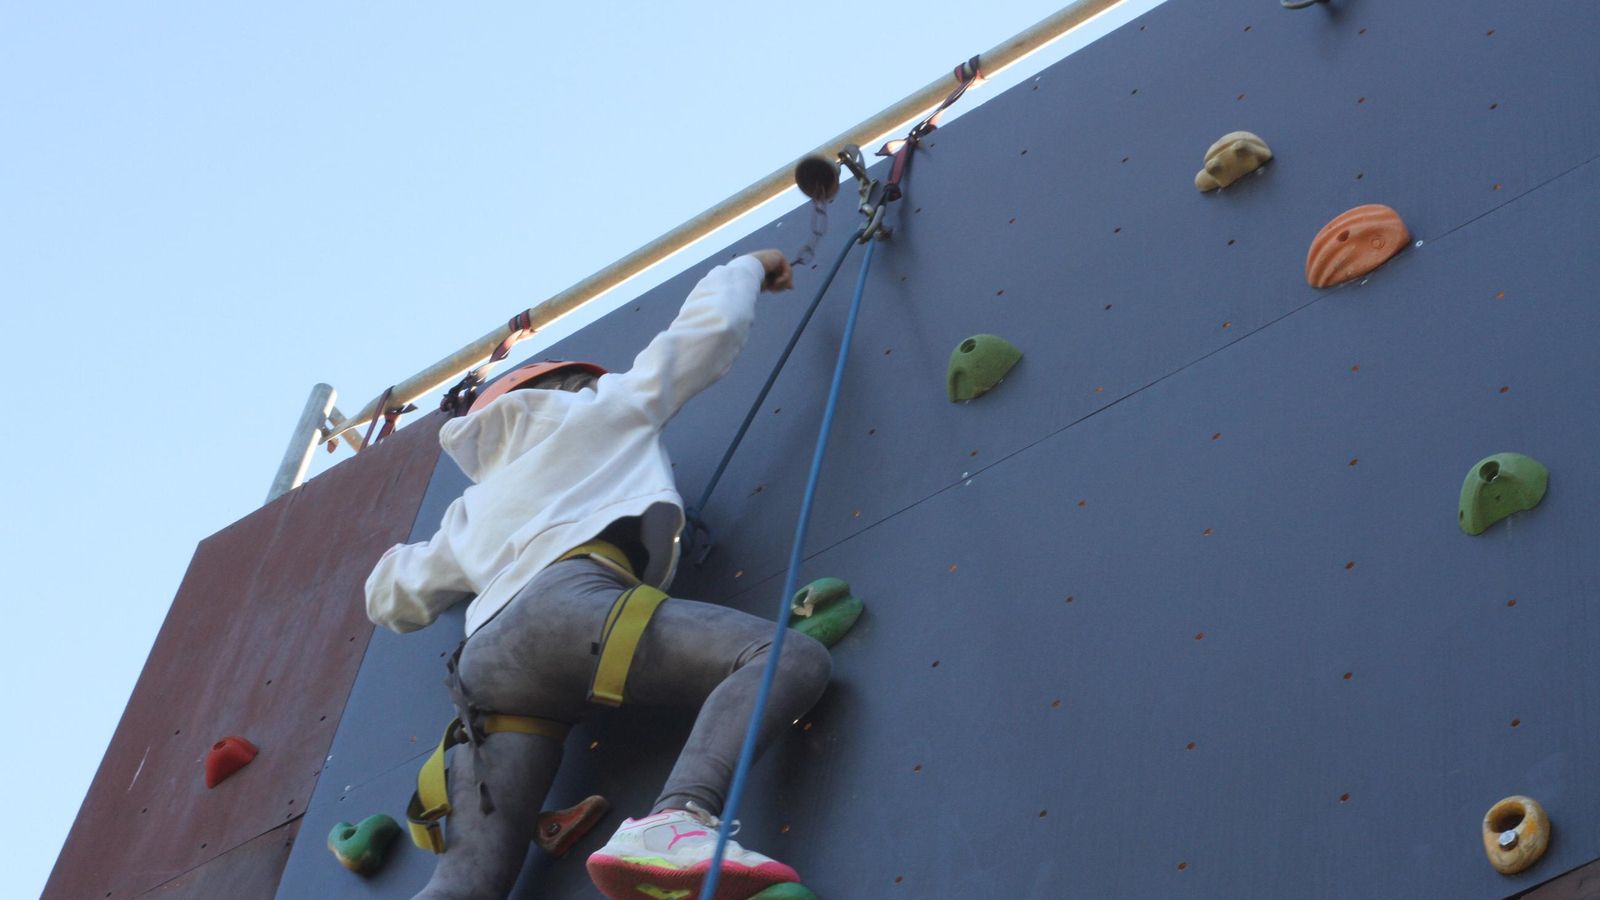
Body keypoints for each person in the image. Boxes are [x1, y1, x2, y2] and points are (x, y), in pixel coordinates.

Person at [365, 250, 833, 900]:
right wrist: (748, 268)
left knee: (463, 886)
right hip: (573, 612)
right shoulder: (601, 408)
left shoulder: (469, 509)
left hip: (486, 674)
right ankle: (678, 819)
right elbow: (704, 336)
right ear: (573, 385)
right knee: (785, 659)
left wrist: (386, 573)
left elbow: (392, 596)